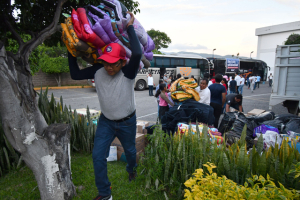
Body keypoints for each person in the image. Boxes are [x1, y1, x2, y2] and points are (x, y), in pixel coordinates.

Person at [68, 12, 139, 200]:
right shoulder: (99, 71)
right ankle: (105, 193)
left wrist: (130, 27)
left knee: (131, 152)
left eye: (114, 64)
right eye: (106, 63)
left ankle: (132, 169)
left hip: (127, 122)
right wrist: (71, 50)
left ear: (122, 62)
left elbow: (138, 53)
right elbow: (75, 75)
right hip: (106, 122)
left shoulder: (128, 72)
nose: (109, 68)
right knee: (98, 156)